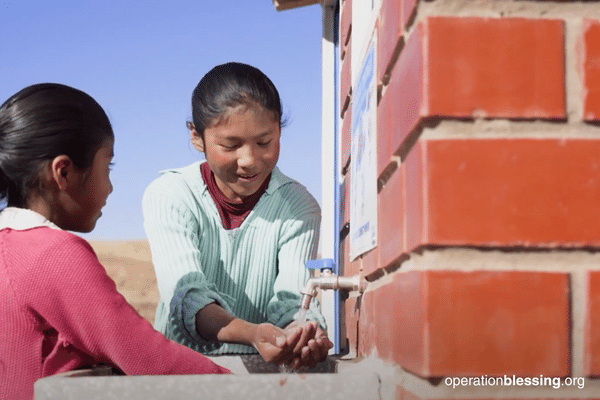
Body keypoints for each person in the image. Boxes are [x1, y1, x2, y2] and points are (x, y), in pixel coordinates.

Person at [0, 83, 230, 400]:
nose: (109, 187)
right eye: (107, 166)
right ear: (63, 172)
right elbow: (148, 358)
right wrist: (244, 388)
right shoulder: (55, 255)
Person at [142, 62, 333, 371]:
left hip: (262, 376)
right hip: (181, 375)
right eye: (230, 145)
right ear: (196, 136)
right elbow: (187, 297)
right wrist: (252, 334)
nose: (250, 160)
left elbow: (293, 303)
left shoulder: (299, 207)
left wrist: (303, 333)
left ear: (278, 131)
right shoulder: (170, 195)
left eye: (264, 142)